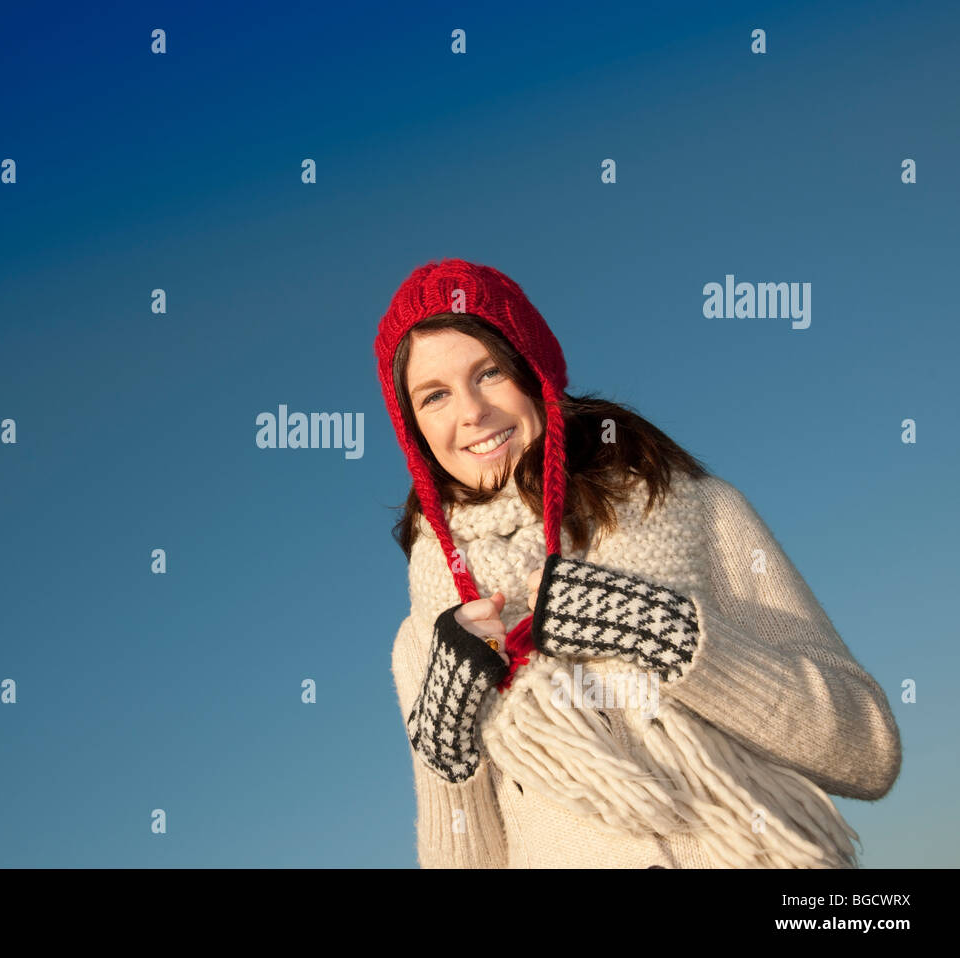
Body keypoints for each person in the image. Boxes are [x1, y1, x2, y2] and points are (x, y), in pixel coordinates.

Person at [376, 258, 902, 868]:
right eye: (434, 395)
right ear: (413, 428)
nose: (470, 411)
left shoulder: (695, 509)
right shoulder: (430, 635)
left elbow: (868, 751)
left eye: (488, 372)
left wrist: (667, 636)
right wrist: (448, 751)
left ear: (533, 372)